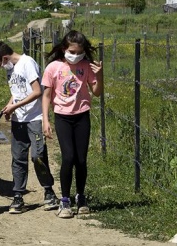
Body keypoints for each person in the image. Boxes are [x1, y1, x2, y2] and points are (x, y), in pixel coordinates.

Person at [0, 41, 59, 214]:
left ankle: (49, 192)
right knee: (18, 157)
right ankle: (18, 196)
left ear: (4, 58)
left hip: (35, 118)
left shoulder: (28, 63)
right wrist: (9, 105)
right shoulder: (11, 68)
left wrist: (15, 107)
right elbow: (17, 91)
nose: (1, 66)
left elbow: (36, 91)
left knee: (37, 156)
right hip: (19, 120)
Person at [41, 30, 103, 219]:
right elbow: (46, 95)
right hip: (62, 117)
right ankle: (65, 200)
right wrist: (46, 119)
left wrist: (99, 76)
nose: (75, 56)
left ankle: (81, 196)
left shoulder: (87, 66)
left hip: (82, 115)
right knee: (68, 157)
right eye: (72, 52)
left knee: (81, 159)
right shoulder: (53, 67)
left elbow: (97, 92)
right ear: (64, 49)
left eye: (79, 52)